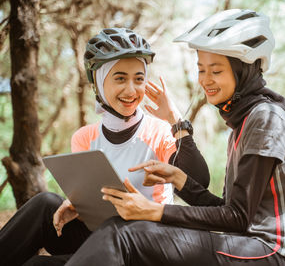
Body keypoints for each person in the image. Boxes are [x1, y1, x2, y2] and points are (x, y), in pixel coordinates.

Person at [53, 9, 285, 266]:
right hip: (253, 244)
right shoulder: (246, 121)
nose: (205, 80)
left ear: (243, 69)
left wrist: (153, 211)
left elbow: (237, 217)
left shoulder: (265, 119)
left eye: (216, 71)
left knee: (123, 234)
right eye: (201, 69)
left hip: (279, 253)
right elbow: (228, 210)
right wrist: (179, 179)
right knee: (115, 231)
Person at [0, 28, 209, 266]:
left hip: (144, 245)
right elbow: (90, 199)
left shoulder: (159, 131)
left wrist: (175, 119)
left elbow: (199, 182)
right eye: (120, 78)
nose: (131, 90)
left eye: (139, 79)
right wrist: (76, 204)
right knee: (46, 204)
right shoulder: (84, 137)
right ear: (98, 82)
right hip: (99, 238)